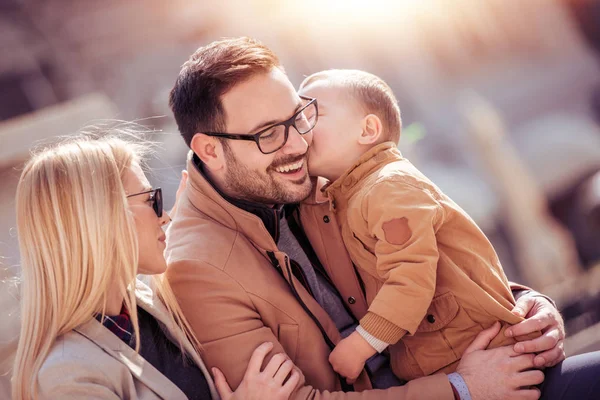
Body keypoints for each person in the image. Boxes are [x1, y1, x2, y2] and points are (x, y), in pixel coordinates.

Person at [165, 37, 587, 400]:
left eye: (297, 117)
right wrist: (460, 387)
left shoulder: (312, 170)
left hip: (464, 362)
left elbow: (424, 250)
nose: (298, 144)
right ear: (210, 150)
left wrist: (526, 305)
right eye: (268, 133)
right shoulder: (197, 268)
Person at [12, 132, 302, 400]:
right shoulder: (67, 375)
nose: (163, 216)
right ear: (102, 219)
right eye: (151, 200)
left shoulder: (143, 306)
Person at [295, 68, 540, 383]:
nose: (301, 130)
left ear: (367, 129)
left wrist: (360, 345)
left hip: (485, 354)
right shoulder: (348, 195)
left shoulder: (388, 186)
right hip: (446, 359)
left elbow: (409, 277)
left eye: (313, 114)